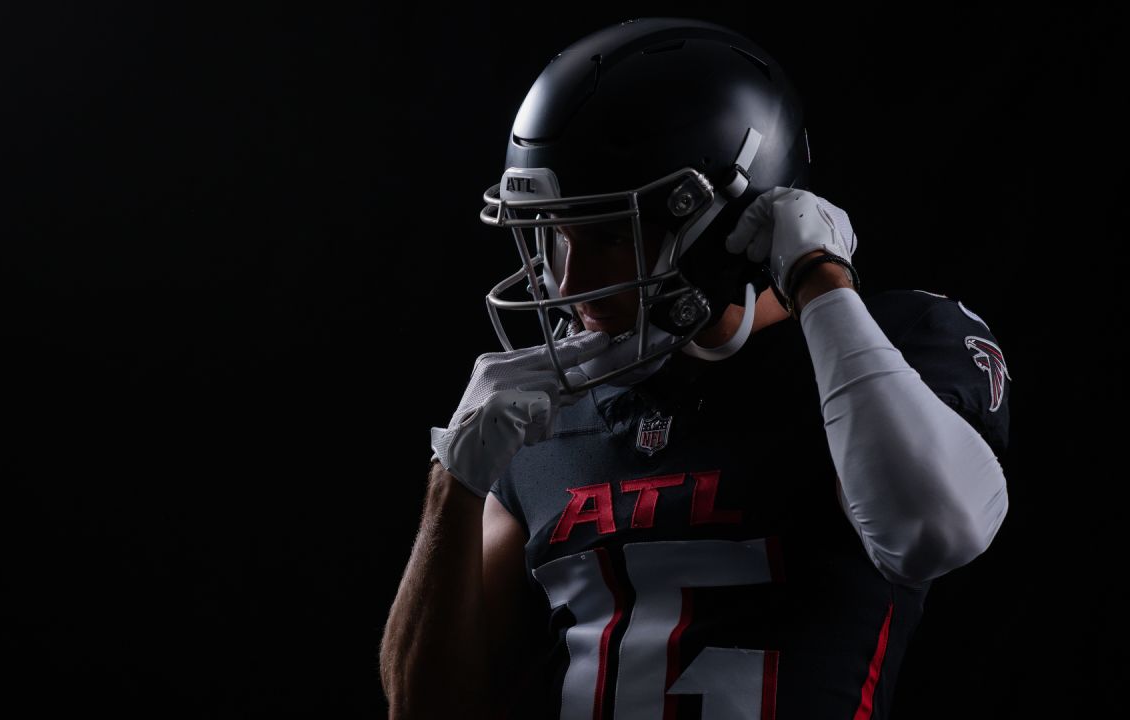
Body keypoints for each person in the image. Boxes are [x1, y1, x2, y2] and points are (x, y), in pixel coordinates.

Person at [380, 17, 1010, 720]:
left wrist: (819, 277)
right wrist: (454, 482)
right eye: (555, 234)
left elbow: (930, 531)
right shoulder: (541, 414)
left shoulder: (895, 344)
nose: (565, 284)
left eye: (612, 237)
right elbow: (424, 710)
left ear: (730, 220)